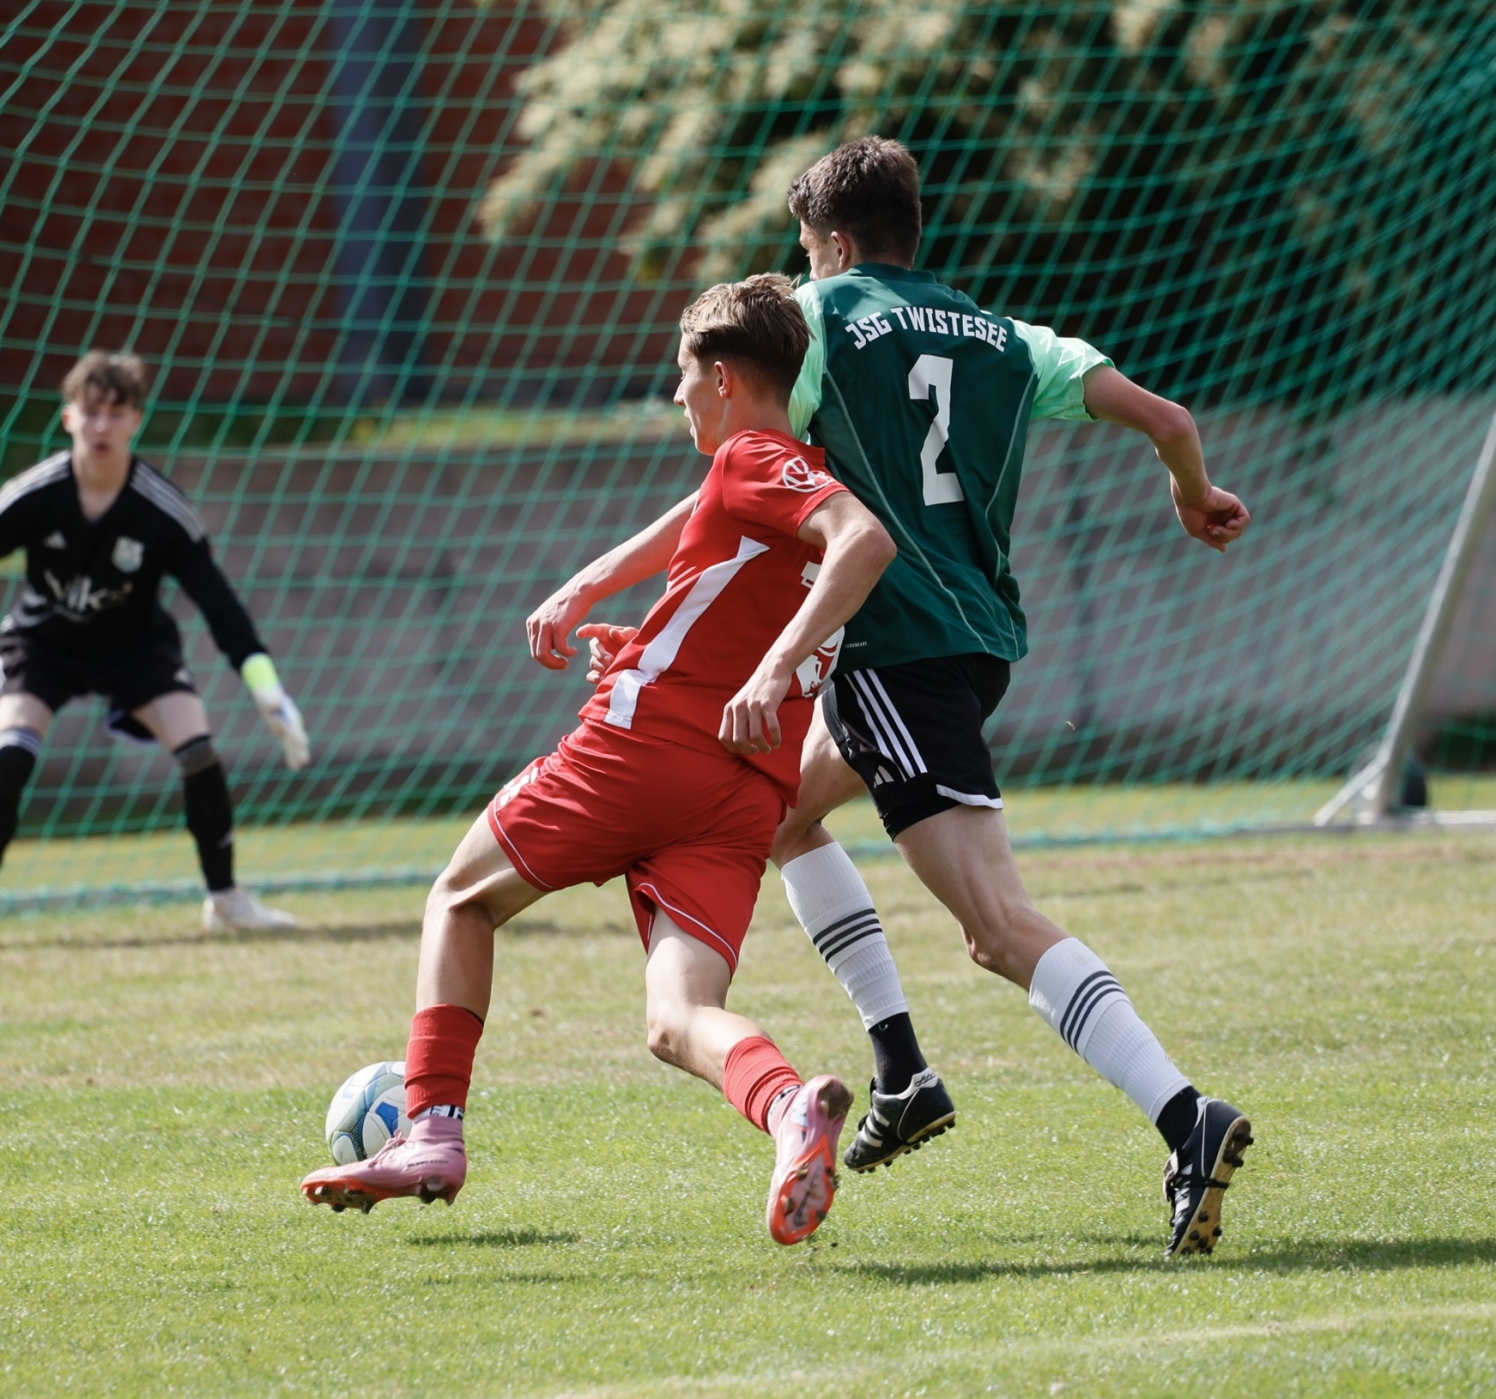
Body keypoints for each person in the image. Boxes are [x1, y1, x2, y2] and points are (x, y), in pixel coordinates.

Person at [562, 139, 1255, 1257]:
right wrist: (1193, 495)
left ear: (835, 245)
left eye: (806, 250)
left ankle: (1187, 1117)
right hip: (976, 647)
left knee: (996, 925)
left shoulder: (818, 320)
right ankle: (901, 1068)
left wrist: (608, 590)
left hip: (897, 652)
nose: (803, 268)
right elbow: (1170, 419)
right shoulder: (1012, 338)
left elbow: (738, 485)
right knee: (780, 812)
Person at [300, 275, 899, 1244]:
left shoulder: (753, 456)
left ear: (724, 377)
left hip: (644, 754)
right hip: (744, 791)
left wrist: (765, 668)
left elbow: (864, 545)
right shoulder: (784, 476)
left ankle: (430, 1131)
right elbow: (721, 573)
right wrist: (609, 608)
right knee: (678, 1016)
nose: (676, 395)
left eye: (682, 375)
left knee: (460, 898)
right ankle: (790, 1106)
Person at [0, 351, 311, 950]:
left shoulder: (163, 511)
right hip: (43, 645)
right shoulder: (36, 494)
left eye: (116, 413)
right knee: (13, 756)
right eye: (90, 412)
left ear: (136, 421)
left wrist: (266, 688)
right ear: (69, 418)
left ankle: (226, 900)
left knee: (199, 752)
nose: (102, 426)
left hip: (135, 649)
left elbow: (220, 606)